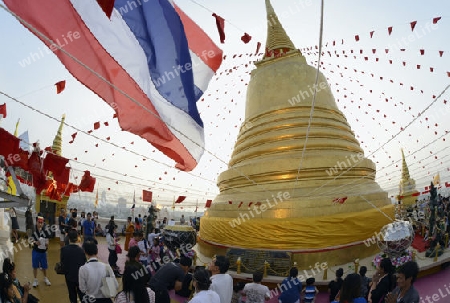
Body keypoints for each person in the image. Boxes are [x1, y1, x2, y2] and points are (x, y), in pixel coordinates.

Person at [60, 229, 86, 303]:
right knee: (82, 294)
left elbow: (63, 262)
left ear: (68, 238)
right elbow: (84, 263)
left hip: (69, 276)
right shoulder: (81, 250)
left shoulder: (64, 249)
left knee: (72, 294)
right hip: (79, 276)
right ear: (77, 238)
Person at [31, 216, 51, 287]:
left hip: (43, 252)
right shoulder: (33, 231)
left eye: (41, 223)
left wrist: (47, 243)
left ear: (43, 223)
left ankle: (45, 278)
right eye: (39, 222)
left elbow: (47, 239)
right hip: (36, 251)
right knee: (35, 266)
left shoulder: (46, 231)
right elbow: (30, 241)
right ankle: (35, 280)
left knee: (44, 266)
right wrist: (35, 242)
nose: (40, 224)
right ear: (36, 222)